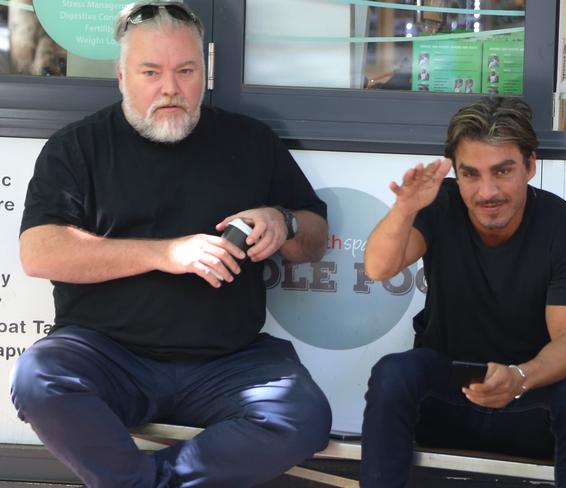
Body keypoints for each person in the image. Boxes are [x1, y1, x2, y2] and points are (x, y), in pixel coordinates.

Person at [11, 2, 331, 487]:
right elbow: (40, 252)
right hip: (107, 355)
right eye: (151, 72)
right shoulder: (78, 147)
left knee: (303, 416)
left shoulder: (250, 141)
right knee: (38, 381)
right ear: (121, 76)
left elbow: (314, 238)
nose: (170, 87)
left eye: (186, 71)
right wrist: (166, 253)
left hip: (229, 359)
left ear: (205, 73)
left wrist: (281, 220)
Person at [360, 97, 566, 487]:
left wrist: (520, 376)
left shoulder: (563, 226)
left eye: (503, 171)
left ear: (530, 165)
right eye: (470, 175)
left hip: (529, 393)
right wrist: (405, 209)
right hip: (448, 386)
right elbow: (378, 266)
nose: (487, 191)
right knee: (394, 373)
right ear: (455, 174)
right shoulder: (441, 203)